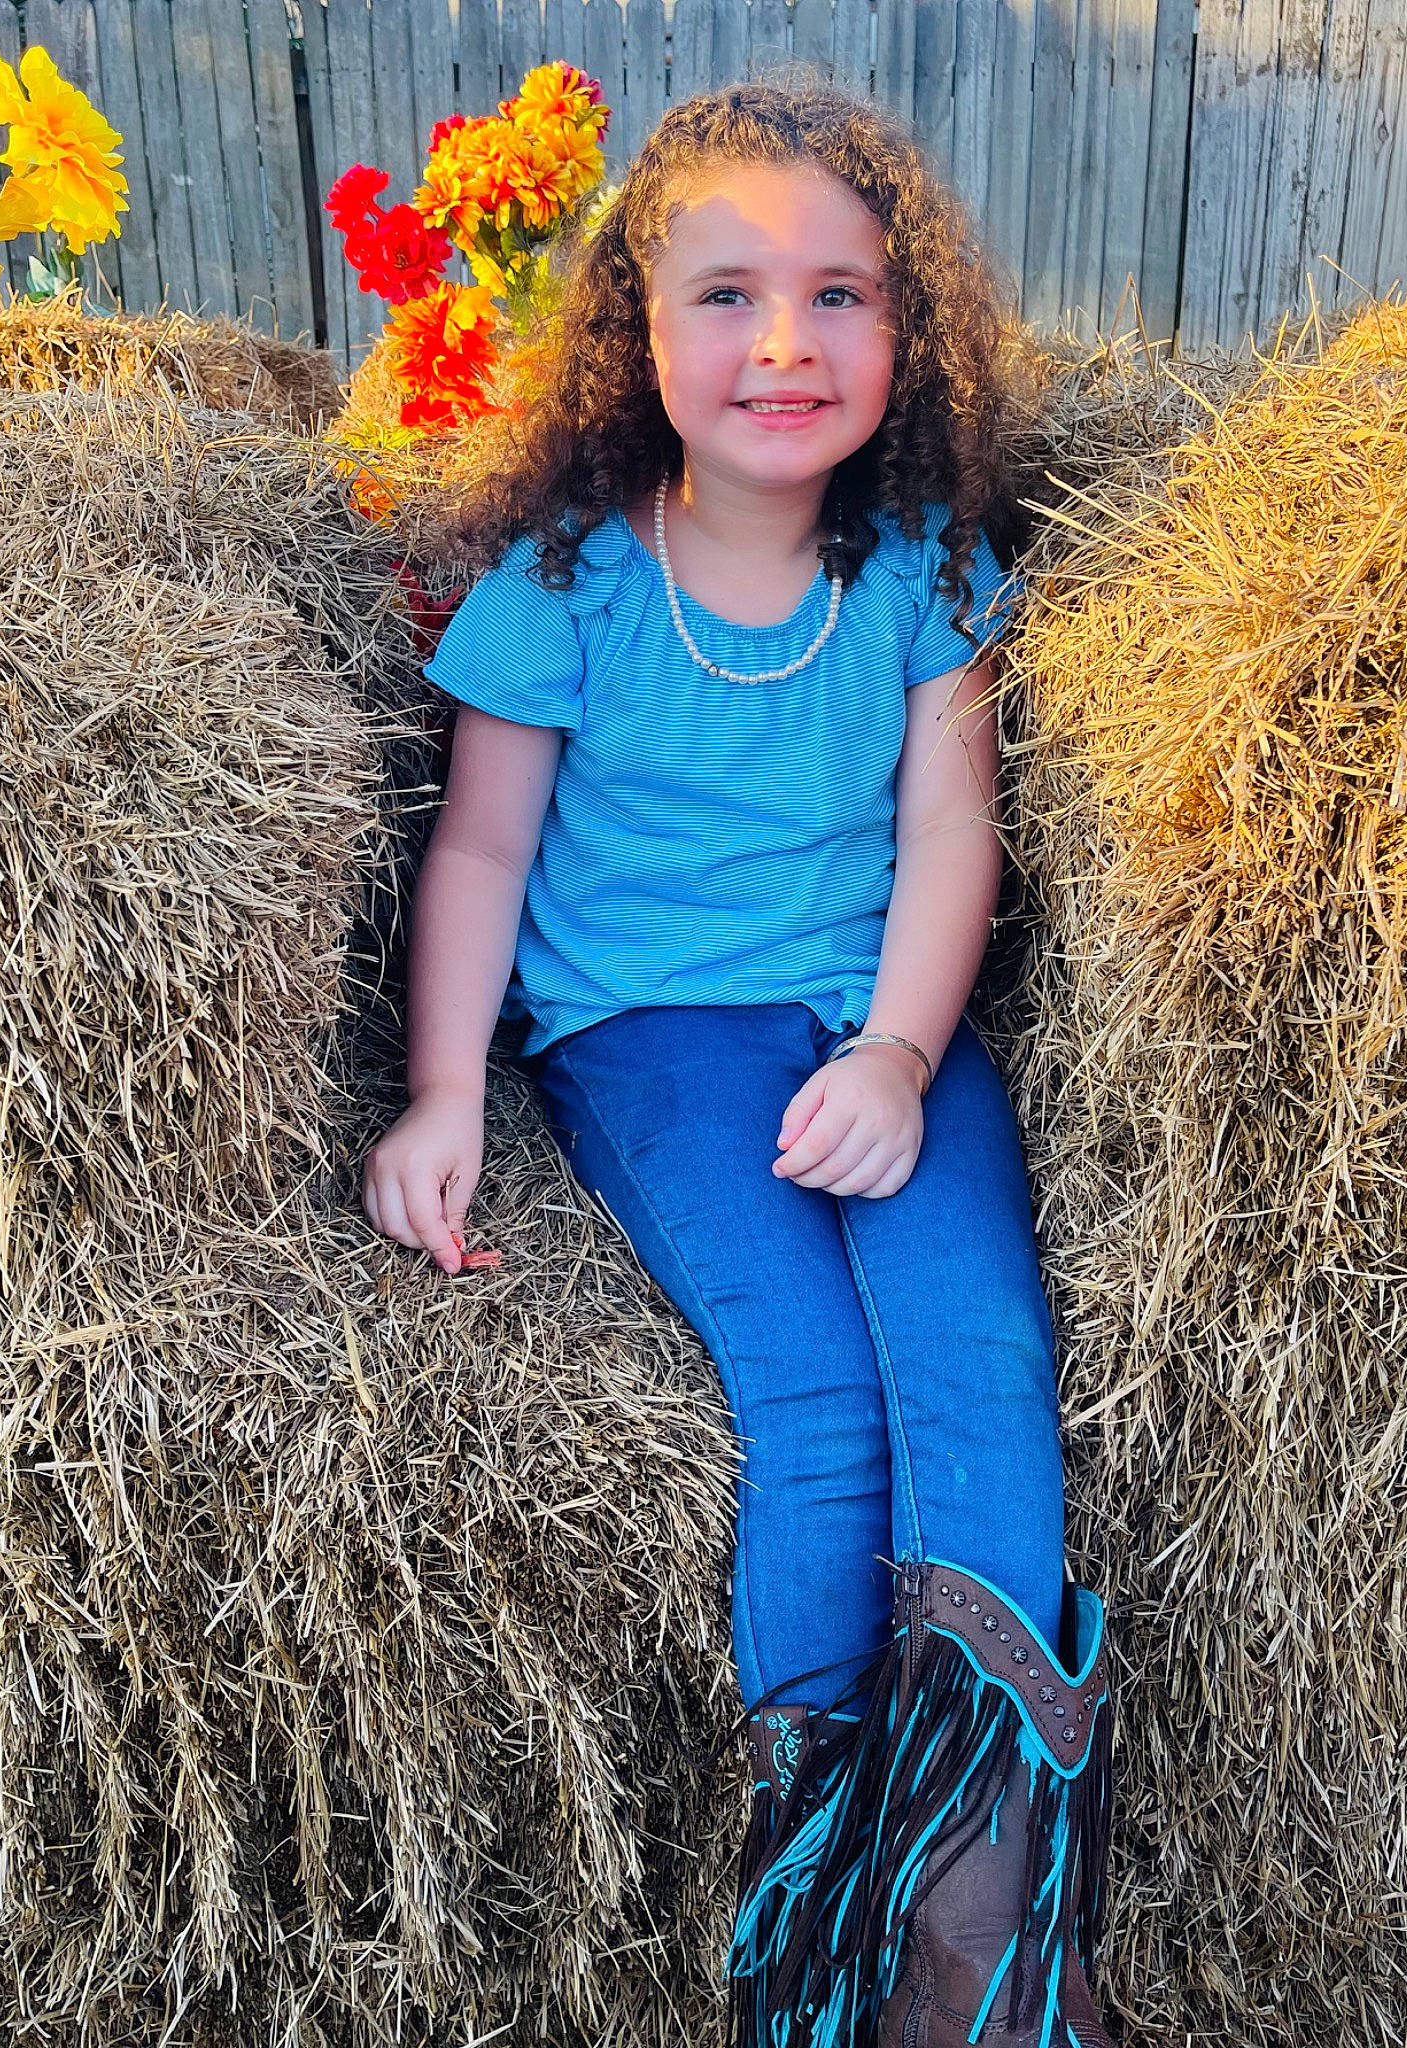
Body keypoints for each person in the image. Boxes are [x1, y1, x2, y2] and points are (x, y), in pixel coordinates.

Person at [362, 80, 1116, 2048]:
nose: (786, 344)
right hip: (654, 1030)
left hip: (871, 1014)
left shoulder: (930, 570)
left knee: (977, 1357)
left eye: (841, 295)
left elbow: (959, 835)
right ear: (634, 329)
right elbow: (483, 850)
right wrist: (448, 1089)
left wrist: (898, 1047)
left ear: (908, 327)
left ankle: (979, 1944)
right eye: (727, 294)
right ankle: (828, 1897)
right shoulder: (569, 582)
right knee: (815, 1382)